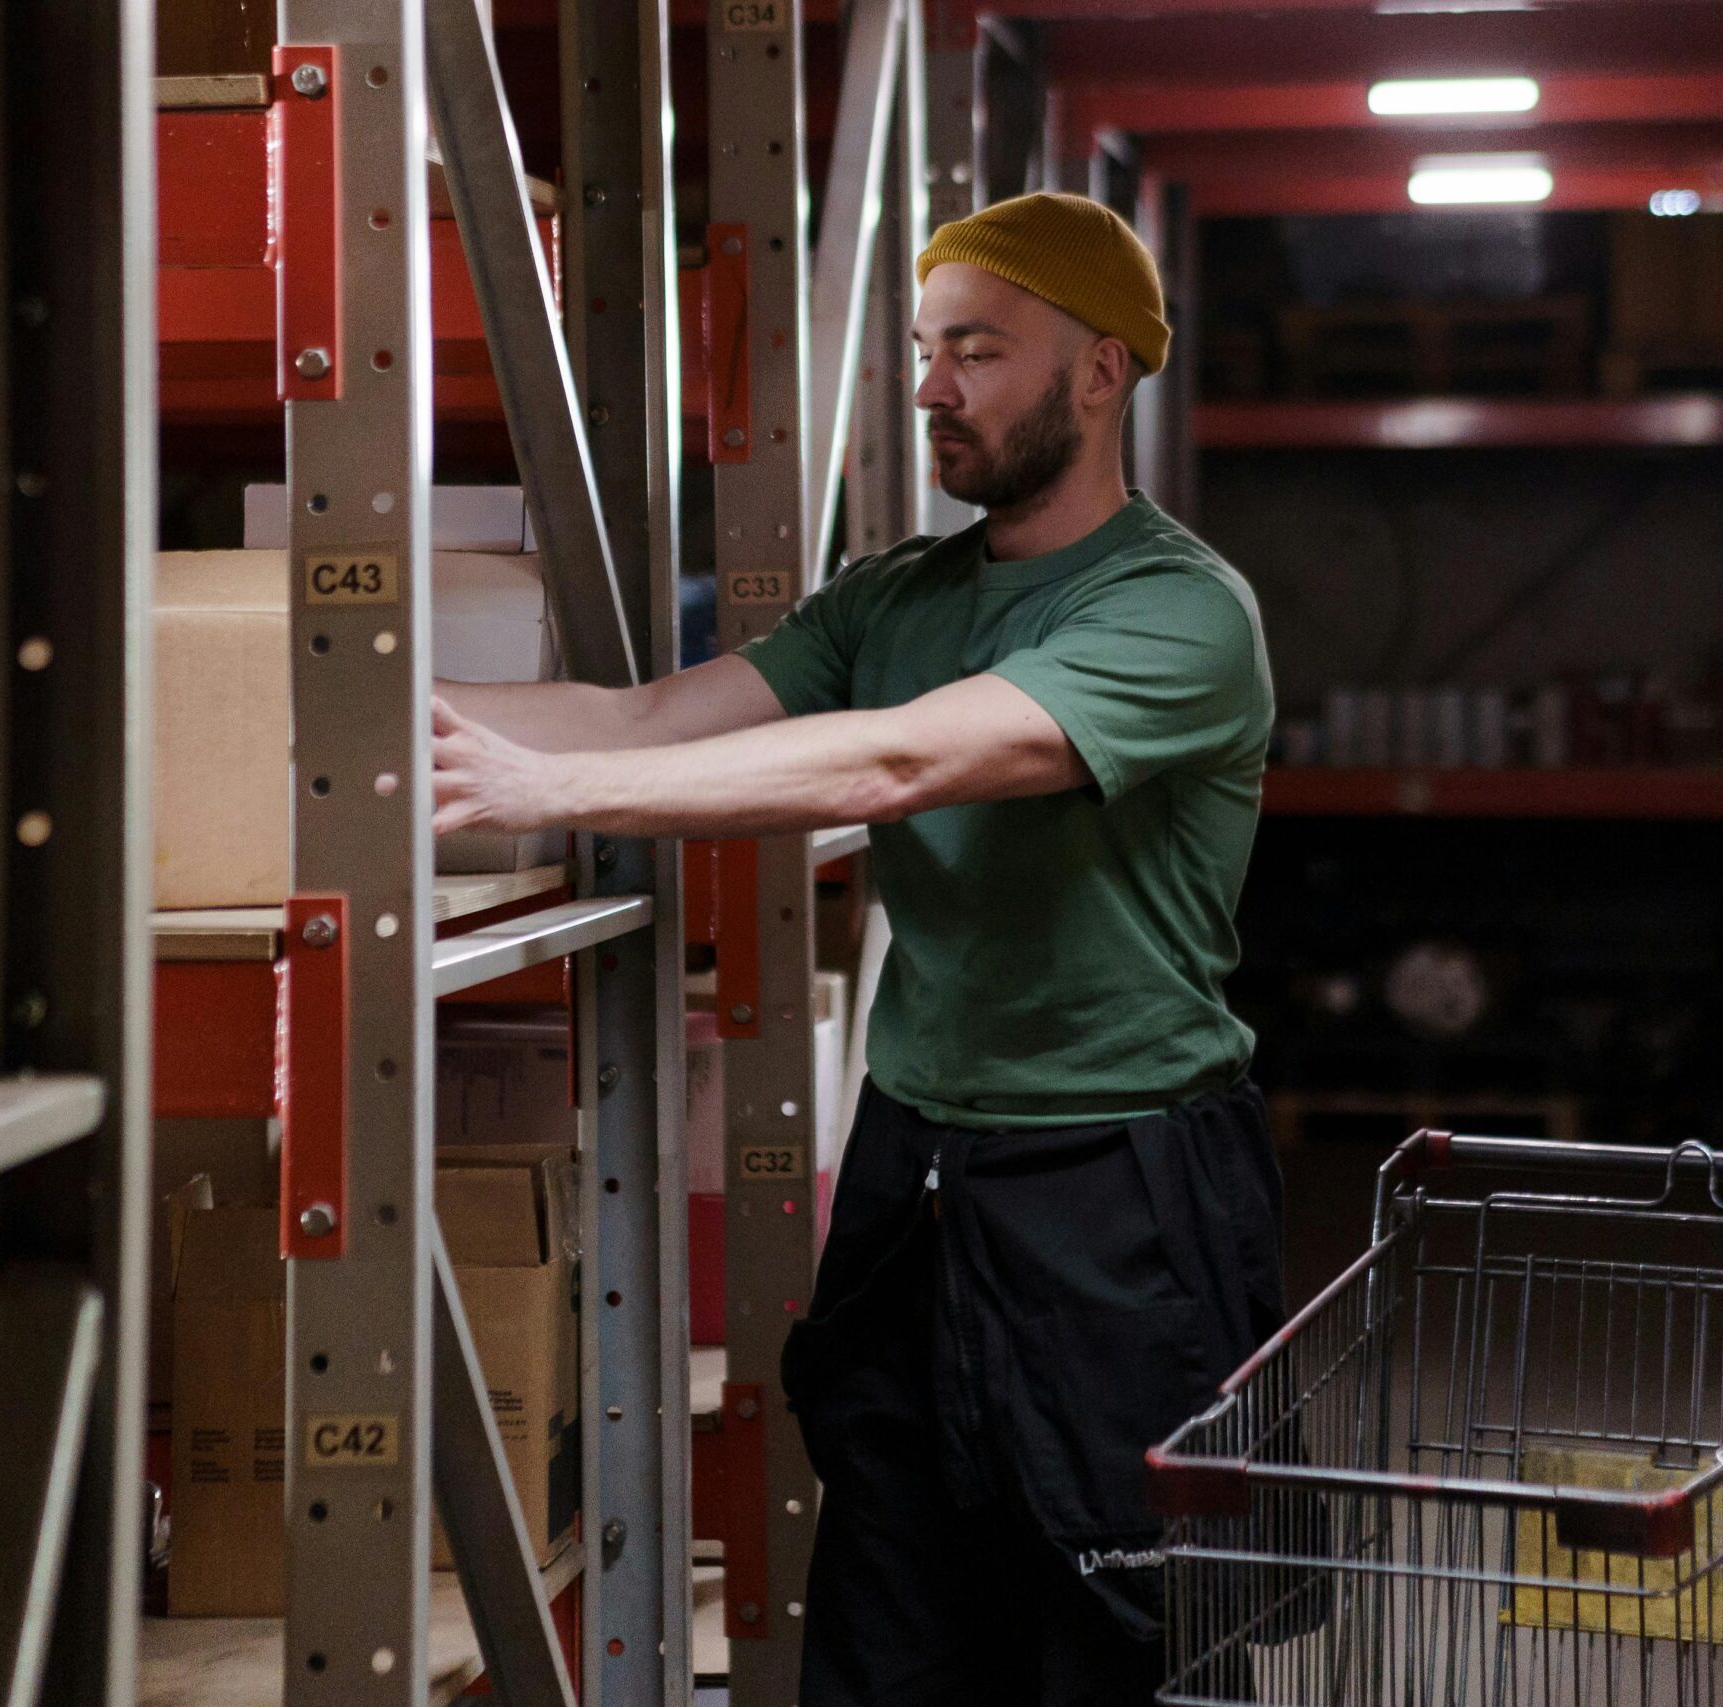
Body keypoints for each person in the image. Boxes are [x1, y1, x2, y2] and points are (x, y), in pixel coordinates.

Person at [431, 190, 1282, 1707]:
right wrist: (348, 709)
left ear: (1101, 370)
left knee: (1109, 1626)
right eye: (923, 349)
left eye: (979, 351)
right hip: (918, 1170)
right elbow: (642, 718)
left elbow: (897, 765)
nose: (934, 388)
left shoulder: (1177, 612)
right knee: (888, 1606)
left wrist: (546, 797)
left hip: (1116, 1185)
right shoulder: (902, 595)